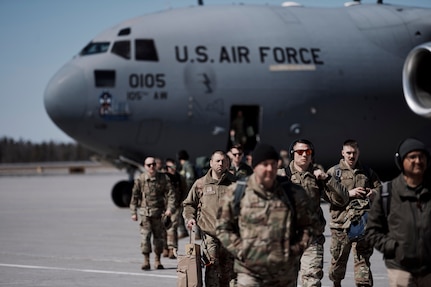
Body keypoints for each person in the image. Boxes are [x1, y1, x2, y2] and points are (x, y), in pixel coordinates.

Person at [216, 143, 318, 287]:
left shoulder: (293, 193)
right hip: (250, 272)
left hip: (284, 274)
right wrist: (241, 251)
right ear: (254, 166)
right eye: (265, 164)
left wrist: (294, 250)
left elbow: (310, 226)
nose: (270, 169)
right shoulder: (237, 193)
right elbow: (223, 228)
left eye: (273, 164)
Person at [366, 138, 431, 287]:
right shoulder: (387, 193)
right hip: (401, 269)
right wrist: (394, 248)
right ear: (401, 161)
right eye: (412, 157)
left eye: (422, 157)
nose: (418, 161)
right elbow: (372, 231)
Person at [286, 139, 350, 287]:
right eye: (299, 152)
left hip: (311, 239)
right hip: (287, 240)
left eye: (308, 152)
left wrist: (327, 179)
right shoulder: (282, 176)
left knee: (312, 282)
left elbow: (342, 199)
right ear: (292, 154)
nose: (304, 155)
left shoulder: (318, 177)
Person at [326, 139, 382, 287]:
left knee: (362, 260)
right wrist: (348, 194)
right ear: (342, 153)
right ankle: (336, 283)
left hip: (362, 224)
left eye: (354, 153)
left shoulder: (367, 172)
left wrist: (373, 192)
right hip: (340, 225)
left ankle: (363, 284)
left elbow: (380, 188)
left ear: (358, 153)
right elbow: (327, 196)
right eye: (348, 153)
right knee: (338, 261)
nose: (351, 156)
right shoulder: (334, 173)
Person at [183, 150, 237, 287]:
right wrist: (190, 218)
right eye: (217, 161)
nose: (221, 163)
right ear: (211, 163)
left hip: (230, 236)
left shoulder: (235, 184)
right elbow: (189, 204)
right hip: (210, 235)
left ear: (228, 164)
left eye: (224, 161)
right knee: (212, 270)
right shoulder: (201, 184)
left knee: (229, 273)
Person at [129, 157, 176, 270]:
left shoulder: (163, 178)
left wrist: (170, 209)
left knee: (158, 239)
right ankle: (146, 261)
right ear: (145, 166)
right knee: (145, 238)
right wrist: (133, 212)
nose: (151, 167)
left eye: (153, 164)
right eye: (149, 165)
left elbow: (171, 194)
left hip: (159, 214)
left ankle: (157, 261)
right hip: (145, 214)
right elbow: (135, 196)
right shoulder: (141, 179)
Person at [162, 158, 188, 259]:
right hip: (163, 207)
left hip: (175, 206)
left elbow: (185, 189)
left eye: (174, 167)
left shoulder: (179, 178)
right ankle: (165, 248)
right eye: (170, 167)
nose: (173, 169)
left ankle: (173, 249)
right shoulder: (162, 178)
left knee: (173, 227)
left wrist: (182, 201)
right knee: (163, 228)